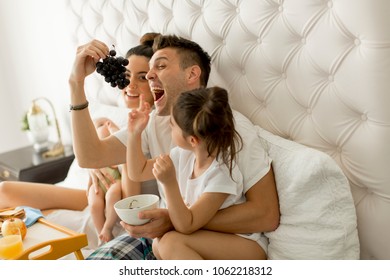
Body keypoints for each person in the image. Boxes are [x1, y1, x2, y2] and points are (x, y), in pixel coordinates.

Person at [69, 33, 279, 260]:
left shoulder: (228, 130)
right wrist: (76, 82)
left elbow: (266, 214)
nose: (149, 75)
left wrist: (177, 219)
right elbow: (90, 156)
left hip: (208, 239)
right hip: (168, 236)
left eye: (159, 66)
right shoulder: (156, 125)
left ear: (192, 74)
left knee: (169, 242)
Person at [0, 37, 156, 215]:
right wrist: (94, 160)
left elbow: (129, 199)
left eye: (142, 77)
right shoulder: (116, 118)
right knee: (4, 191)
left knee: (12, 199)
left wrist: (102, 157)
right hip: (80, 187)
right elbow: (93, 138)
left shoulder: (149, 125)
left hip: (97, 198)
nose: (131, 84)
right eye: (127, 76)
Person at [127, 86, 266, 259]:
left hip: (245, 245)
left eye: (172, 126)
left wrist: (169, 182)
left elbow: (187, 224)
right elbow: (138, 172)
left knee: (170, 243)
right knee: (159, 244)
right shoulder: (182, 154)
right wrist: (134, 134)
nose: (170, 129)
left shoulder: (221, 174)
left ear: (193, 140)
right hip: (207, 237)